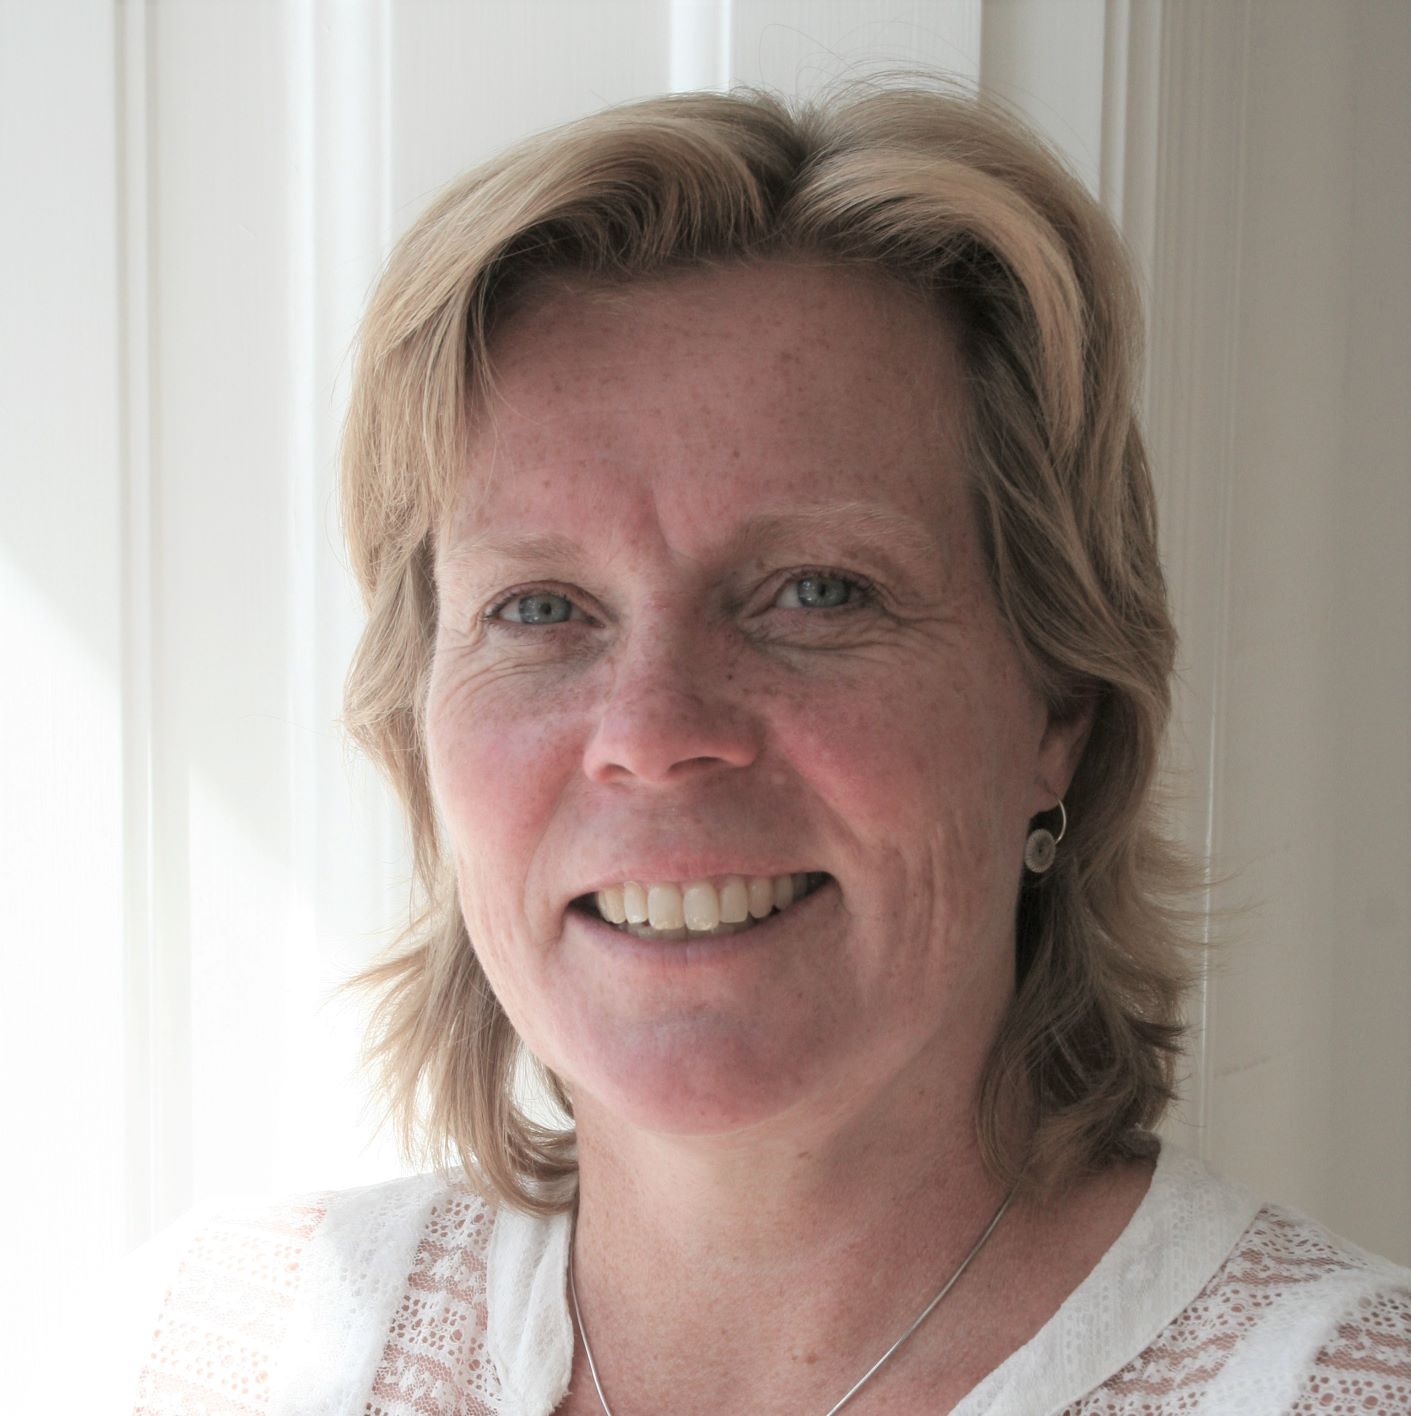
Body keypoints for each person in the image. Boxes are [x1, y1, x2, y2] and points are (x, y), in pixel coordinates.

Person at [116, 85, 1408, 1414]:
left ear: (1060, 706)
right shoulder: (215, 1353)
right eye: (542, 609)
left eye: (817, 592)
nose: (652, 736)